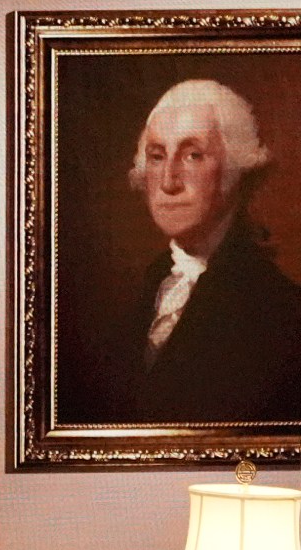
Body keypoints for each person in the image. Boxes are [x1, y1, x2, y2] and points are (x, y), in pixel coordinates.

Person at [82, 78, 301, 423]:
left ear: (236, 170)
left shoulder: (283, 314)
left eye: (192, 155)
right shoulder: (139, 295)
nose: (168, 181)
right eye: (156, 157)